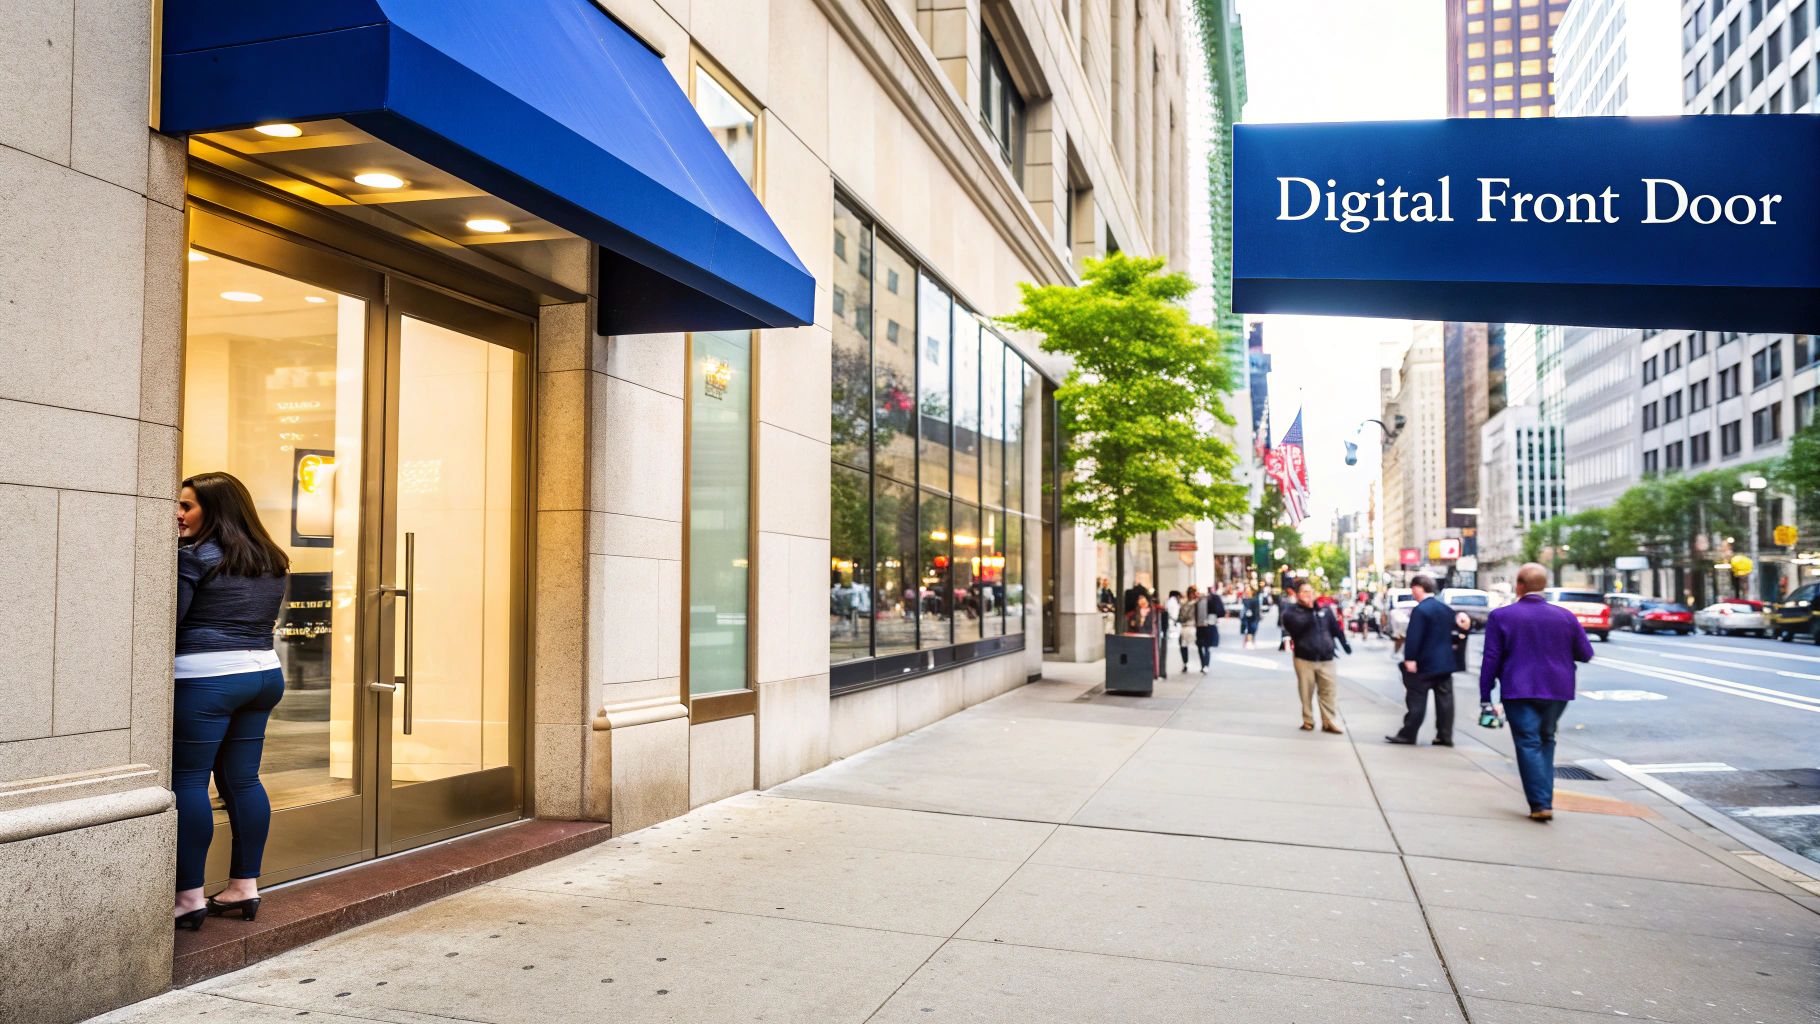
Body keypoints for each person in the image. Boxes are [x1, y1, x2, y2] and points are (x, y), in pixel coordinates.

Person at [172, 472, 291, 930]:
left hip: (207, 679)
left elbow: (172, 623)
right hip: (263, 674)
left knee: (188, 781)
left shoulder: (194, 558)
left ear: (214, 509)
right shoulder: (269, 558)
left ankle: (189, 897)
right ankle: (244, 886)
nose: (179, 515)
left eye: (187, 506)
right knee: (242, 781)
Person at [1479, 562, 1594, 822]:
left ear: (1519, 585)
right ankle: (1545, 801)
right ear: (1543, 585)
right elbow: (1586, 654)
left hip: (1518, 688)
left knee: (1528, 743)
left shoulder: (1502, 616)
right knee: (1547, 738)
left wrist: (1486, 695)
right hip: (1558, 689)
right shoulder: (1565, 616)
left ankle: (1540, 803)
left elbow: (1491, 658)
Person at [1387, 575, 1457, 747]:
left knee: (1416, 701)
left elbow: (1414, 637)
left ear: (1419, 588)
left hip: (1423, 664)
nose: (1412, 592)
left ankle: (1408, 734)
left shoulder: (1421, 610)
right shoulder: (1446, 609)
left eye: (1412, 589)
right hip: (1444, 664)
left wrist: (1410, 659)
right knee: (1445, 702)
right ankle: (1444, 735)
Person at [1280, 580, 1352, 733]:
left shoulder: (1324, 611)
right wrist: (1311, 611)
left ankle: (1328, 721)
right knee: (1306, 691)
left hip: (1326, 657)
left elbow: (1335, 629)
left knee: (1328, 691)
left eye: (1310, 591)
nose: (1308, 595)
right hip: (1304, 658)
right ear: (1298, 594)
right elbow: (1296, 627)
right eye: (1305, 592)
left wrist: (1344, 644)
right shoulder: (1292, 612)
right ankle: (1308, 720)